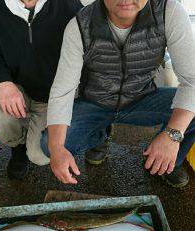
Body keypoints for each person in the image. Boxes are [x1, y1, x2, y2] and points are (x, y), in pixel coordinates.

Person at [42, 0, 195, 188]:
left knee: (188, 114)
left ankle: (166, 162)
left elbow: (192, 80)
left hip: (142, 98)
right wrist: (57, 148)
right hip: (95, 103)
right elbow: (62, 92)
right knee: (48, 144)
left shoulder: (168, 12)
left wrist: (172, 135)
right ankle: (99, 136)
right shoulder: (80, 25)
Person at [0, 0, 96, 180]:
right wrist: (4, 82)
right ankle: (17, 146)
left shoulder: (69, 4)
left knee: (40, 155)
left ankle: (93, 134)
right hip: (16, 88)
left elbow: (87, 52)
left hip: (51, 95)